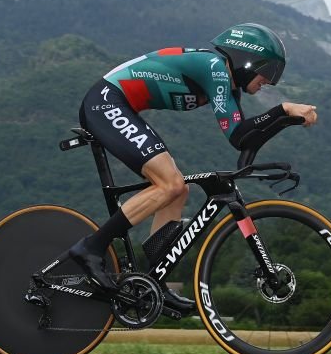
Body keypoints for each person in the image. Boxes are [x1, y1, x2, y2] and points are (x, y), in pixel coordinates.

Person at [68, 22, 318, 314]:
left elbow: (241, 138)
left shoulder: (225, 83)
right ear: (248, 60)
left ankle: (153, 280)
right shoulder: (214, 67)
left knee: (177, 191)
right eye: (269, 72)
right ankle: (90, 248)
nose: (271, 81)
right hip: (107, 102)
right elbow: (243, 136)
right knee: (170, 184)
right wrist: (283, 109)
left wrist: (286, 119)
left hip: (119, 105)